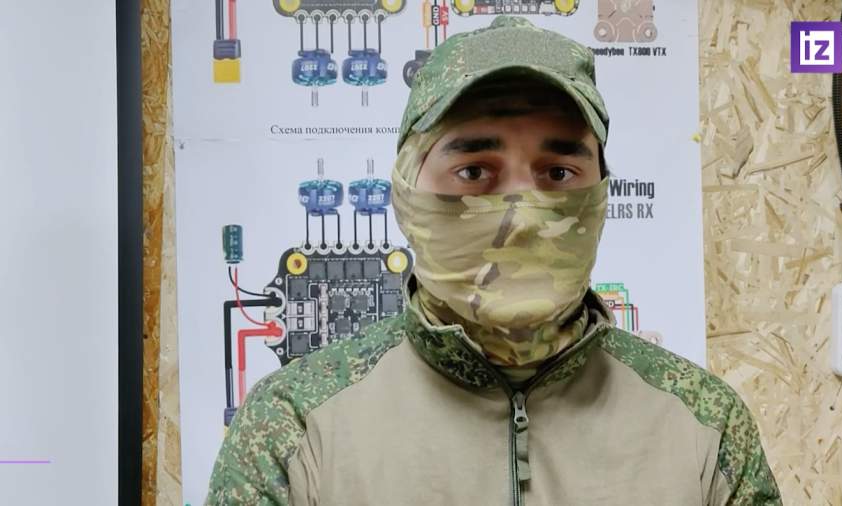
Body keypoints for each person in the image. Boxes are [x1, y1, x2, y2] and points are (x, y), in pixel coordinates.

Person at [206, 16, 781, 505]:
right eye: (475, 171)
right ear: (406, 192)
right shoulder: (296, 427)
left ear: (601, 195)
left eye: (558, 173)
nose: (522, 215)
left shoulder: (704, 426)